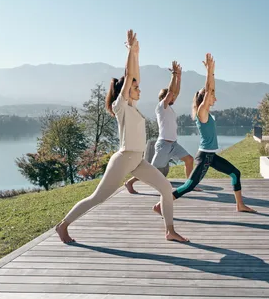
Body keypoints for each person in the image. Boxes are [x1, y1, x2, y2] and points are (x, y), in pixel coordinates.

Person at [55, 30, 188, 243]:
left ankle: (170, 231)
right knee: (97, 198)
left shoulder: (132, 107)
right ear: (125, 91)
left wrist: (137, 54)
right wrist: (130, 52)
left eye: (137, 87)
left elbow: (133, 77)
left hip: (137, 160)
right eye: (135, 88)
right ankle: (63, 225)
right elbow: (129, 76)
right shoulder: (121, 107)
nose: (139, 89)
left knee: (165, 187)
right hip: (124, 159)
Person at [152, 53, 256, 216]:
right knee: (189, 186)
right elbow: (209, 90)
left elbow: (207, 91)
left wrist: (206, 73)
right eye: (212, 96)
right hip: (205, 156)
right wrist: (210, 72)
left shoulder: (204, 112)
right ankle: (160, 204)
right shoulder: (202, 112)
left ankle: (240, 205)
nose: (215, 97)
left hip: (210, 156)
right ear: (205, 99)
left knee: (235, 173)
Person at [124, 61, 202, 194]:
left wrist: (179, 77)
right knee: (150, 170)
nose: (174, 97)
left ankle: (190, 185)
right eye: (171, 96)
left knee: (189, 160)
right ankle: (129, 183)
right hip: (163, 146)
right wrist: (173, 74)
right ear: (165, 97)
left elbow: (175, 91)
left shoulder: (169, 108)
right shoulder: (161, 107)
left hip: (174, 145)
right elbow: (172, 91)